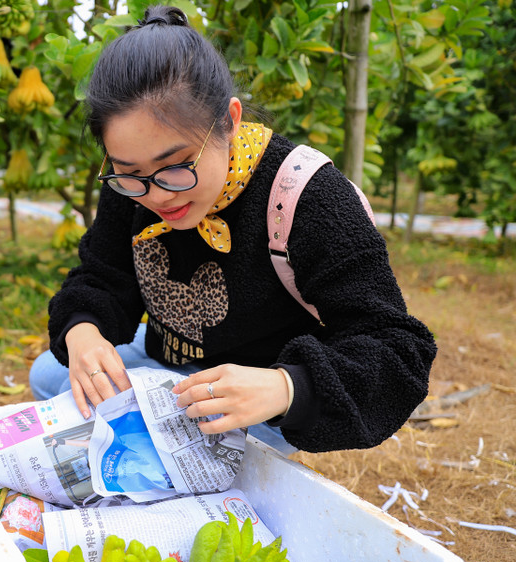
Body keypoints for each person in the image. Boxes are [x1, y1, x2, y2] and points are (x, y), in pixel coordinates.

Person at [29, 5, 436, 454]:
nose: (159, 195)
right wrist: (83, 329)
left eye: (176, 166)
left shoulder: (305, 195)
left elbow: (398, 348)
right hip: (167, 366)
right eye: (129, 171)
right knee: (50, 374)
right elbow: (103, 275)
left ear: (230, 120)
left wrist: (285, 387)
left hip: (253, 401)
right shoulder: (135, 188)